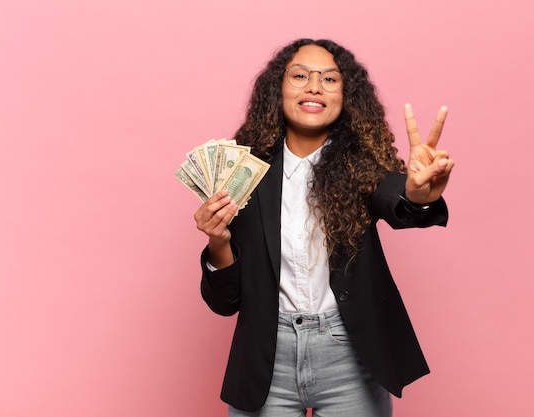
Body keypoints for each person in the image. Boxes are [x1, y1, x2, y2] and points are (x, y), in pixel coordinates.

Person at [194, 38, 454, 417]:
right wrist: (218, 241)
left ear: (346, 96)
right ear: (277, 89)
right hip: (266, 360)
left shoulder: (362, 168)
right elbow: (224, 302)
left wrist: (418, 195)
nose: (314, 86)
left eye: (330, 80)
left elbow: (398, 201)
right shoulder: (242, 172)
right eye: (300, 76)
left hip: (350, 356)